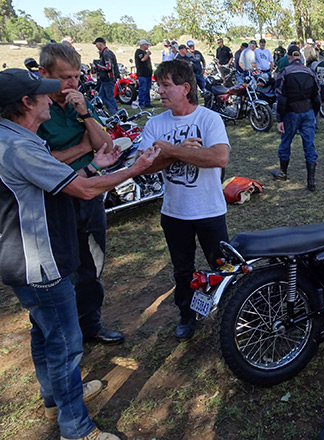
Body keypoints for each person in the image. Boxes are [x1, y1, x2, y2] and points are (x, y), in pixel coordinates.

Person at [0, 68, 158, 440]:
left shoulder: (14, 138)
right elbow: (85, 192)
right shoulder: (19, 146)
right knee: (66, 345)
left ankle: (56, 396)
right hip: (40, 261)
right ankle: (76, 427)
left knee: (44, 333)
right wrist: (134, 168)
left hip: (22, 259)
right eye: (42, 94)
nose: (49, 100)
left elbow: (57, 180)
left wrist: (93, 165)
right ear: (26, 103)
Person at [37, 42, 125, 346]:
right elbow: (40, 162)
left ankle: (90, 325)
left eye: (75, 76)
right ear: (44, 73)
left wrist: (85, 114)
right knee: (64, 271)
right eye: (64, 78)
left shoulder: (79, 104)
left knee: (93, 263)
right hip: (56, 199)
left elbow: (107, 146)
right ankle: (66, 335)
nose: (72, 83)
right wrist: (82, 148)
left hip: (90, 193)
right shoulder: (34, 108)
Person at [138, 59, 230, 340]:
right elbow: (142, 166)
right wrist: (178, 150)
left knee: (223, 265)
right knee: (182, 269)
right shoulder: (155, 123)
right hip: (175, 212)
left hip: (209, 210)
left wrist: (168, 151)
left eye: (166, 85)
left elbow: (218, 157)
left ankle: (229, 309)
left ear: (185, 87)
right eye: (158, 86)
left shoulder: (208, 119)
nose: (160, 92)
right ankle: (187, 314)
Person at [271, 44, 320, 191]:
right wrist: (314, 113)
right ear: (300, 56)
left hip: (291, 113)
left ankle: (283, 173)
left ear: (289, 57)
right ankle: (311, 180)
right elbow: (317, 96)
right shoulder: (310, 72)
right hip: (308, 112)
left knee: (286, 143)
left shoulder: (284, 72)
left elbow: (281, 97)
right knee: (309, 145)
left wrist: (279, 119)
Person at [92, 37, 119, 114]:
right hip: (105, 79)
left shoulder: (106, 53)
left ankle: (115, 113)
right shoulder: (104, 53)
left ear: (100, 43)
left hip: (109, 79)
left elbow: (108, 67)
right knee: (101, 97)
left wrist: (98, 65)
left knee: (109, 97)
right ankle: (112, 112)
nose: (96, 46)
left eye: (96, 44)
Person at [135, 39, 153, 108]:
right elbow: (142, 59)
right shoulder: (139, 52)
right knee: (143, 88)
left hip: (147, 74)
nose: (148, 46)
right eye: (146, 45)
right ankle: (141, 103)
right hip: (142, 74)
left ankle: (147, 102)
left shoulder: (144, 53)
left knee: (147, 88)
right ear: (143, 45)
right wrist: (147, 54)